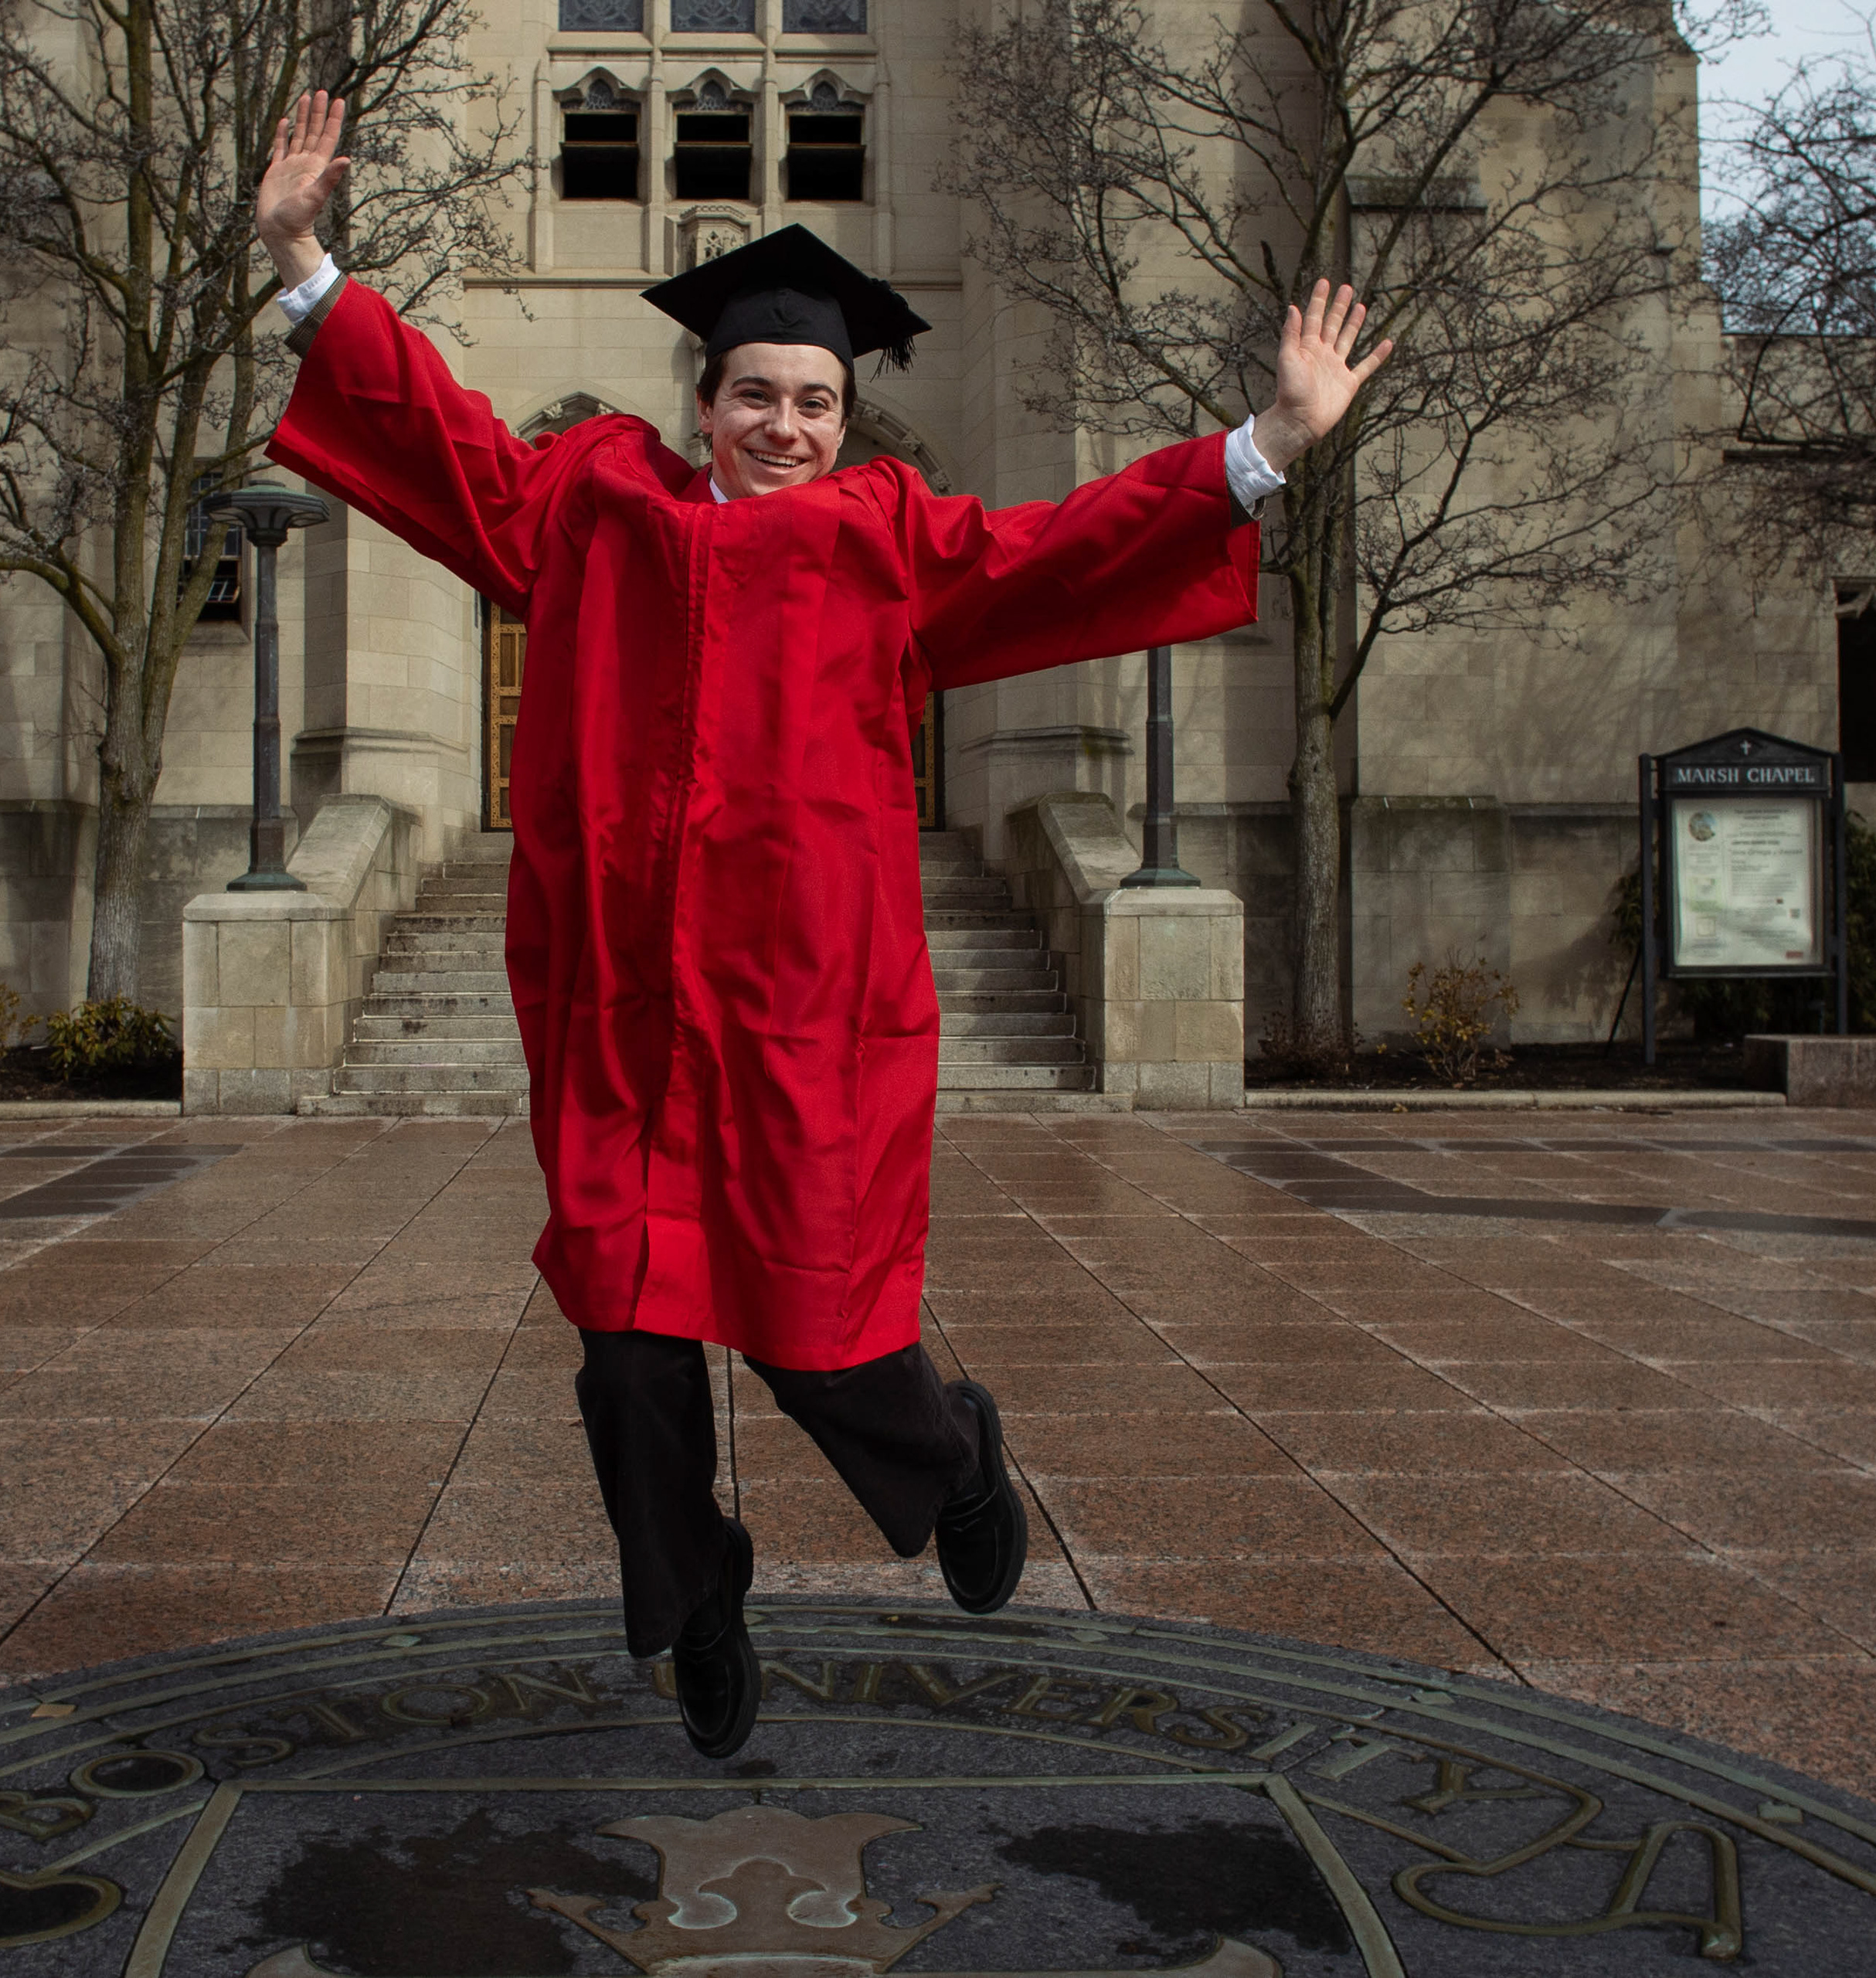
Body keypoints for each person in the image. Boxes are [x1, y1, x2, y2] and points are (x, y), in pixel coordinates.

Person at [252, 92, 1388, 1759]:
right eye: (757, 395)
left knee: (823, 1342)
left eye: (816, 402)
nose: (785, 425)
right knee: (626, 1356)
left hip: (798, 1019)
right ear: (702, 402)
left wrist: (1266, 442)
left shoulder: (889, 540)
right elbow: (448, 440)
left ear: (847, 422)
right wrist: (306, 264)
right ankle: (697, 1595)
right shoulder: (594, 505)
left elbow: (1069, 551)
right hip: (625, 1022)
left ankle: (956, 1456)